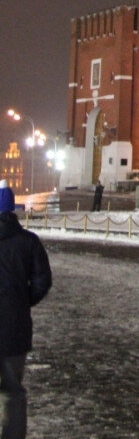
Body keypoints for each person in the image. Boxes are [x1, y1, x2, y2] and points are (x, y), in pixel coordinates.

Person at [0, 179, 52, 439]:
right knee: (13, 391)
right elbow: (43, 280)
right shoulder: (29, 242)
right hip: (15, 329)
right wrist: (22, 302)